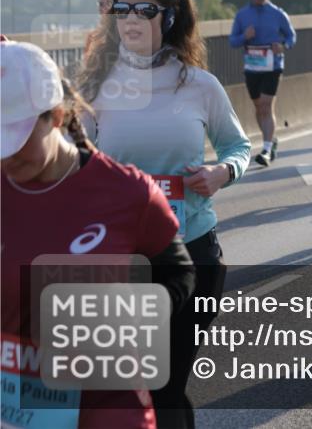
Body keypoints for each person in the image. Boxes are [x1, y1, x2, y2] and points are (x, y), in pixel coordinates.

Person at [77, 0, 251, 429]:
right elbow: (72, 158)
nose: (131, 19)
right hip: (117, 258)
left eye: (144, 10)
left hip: (190, 252)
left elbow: (238, 146)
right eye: (123, 10)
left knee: (167, 386)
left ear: (168, 18)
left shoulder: (199, 85)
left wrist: (221, 172)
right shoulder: (97, 86)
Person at [1, 41, 196, 429]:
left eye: (17, 140)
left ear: (55, 115)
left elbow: (179, 275)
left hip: (109, 404)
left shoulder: (129, 194)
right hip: (17, 405)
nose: (5, 157)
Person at [228, 0, 297, 166]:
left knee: (266, 105)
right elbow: (232, 41)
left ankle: (266, 149)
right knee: (259, 107)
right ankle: (271, 139)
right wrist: (245, 36)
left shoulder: (278, 14)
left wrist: (283, 46)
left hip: (273, 65)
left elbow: (291, 36)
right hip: (252, 66)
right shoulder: (242, 15)